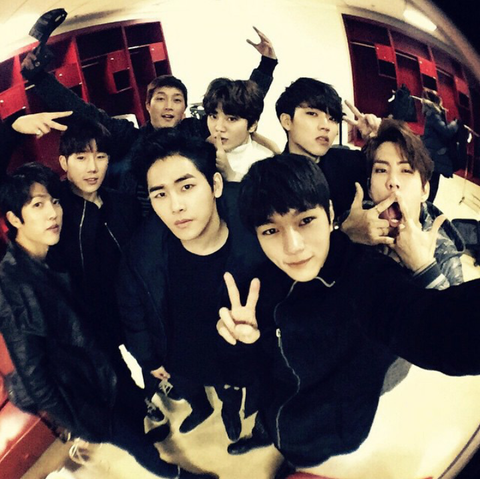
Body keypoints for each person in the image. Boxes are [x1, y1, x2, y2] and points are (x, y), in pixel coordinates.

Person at [216, 153, 480, 477]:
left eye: (305, 221)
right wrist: (242, 343)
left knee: (303, 460)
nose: (293, 246)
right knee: (274, 434)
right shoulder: (259, 285)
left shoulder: (365, 277)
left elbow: (438, 331)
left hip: (331, 428)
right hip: (274, 412)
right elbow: (250, 370)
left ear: (330, 214)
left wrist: (426, 272)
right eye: (271, 230)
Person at [0, 163, 210, 479]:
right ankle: (173, 473)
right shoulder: (12, 287)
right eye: (38, 205)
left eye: (54, 202)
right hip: (82, 395)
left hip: (104, 367)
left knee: (135, 413)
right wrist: (76, 419)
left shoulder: (50, 253)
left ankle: (142, 437)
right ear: (15, 219)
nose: (52, 214)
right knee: (131, 441)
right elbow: (34, 376)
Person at [117, 130, 266, 450]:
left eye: (186, 187)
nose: (176, 206)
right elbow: (132, 310)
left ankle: (239, 411)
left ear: (215, 185)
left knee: (242, 386)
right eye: (160, 194)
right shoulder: (141, 253)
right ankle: (213, 407)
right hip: (185, 351)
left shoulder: (257, 232)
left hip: (244, 348)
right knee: (204, 385)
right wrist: (148, 358)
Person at [21, 27, 278, 211]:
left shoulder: (197, 131)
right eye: (160, 98)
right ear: (147, 105)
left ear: (184, 109)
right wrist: (40, 79)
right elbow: (84, 112)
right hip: (141, 222)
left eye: (176, 100)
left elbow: (238, 106)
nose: (168, 106)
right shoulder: (127, 136)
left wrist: (266, 65)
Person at [275, 77, 399, 248]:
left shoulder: (349, 162)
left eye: (332, 118)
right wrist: (344, 233)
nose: (325, 126)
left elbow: (410, 176)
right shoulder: (273, 181)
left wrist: (379, 141)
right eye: (312, 114)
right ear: (287, 121)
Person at [364, 118, 464, 289]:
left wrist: (425, 268)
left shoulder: (444, 256)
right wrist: (345, 236)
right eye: (381, 170)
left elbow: (455, 307)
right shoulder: (356, 226)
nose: (392, 181)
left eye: (406, 170)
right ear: (370, 188)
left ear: (424, 190)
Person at [203, 77, 276, 182]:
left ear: (252, 126)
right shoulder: (197, 153)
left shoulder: (265, 161)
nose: (219, 127)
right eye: (213, 116)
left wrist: (231, 175)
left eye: (231, 119)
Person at [421, 88, 459, 203]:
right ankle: (428, 205)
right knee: (433, 184)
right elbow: (446, 131)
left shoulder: (431, 113)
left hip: (431, 151)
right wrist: (455, 123)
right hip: (434, 154)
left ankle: (425, 203)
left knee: (430, 180)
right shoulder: (433, 114)